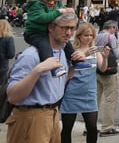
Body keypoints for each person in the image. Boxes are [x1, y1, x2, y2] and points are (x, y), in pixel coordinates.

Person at [5, 13, 75, 143]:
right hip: (31, 116)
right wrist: (37, 70)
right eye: (64, 28)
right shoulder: (31, 55)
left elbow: (58, 82)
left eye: (72, 28)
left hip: (53, 114)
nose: (68, 32)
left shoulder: (62, 52)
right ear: (51, 27)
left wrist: (75, 67)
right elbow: (12, 96)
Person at [23, 0, 88, 77]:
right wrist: (58, 12)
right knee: (45, 47)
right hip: (36, 33)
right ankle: (53, 68)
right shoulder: (37, 5)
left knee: (68, 45)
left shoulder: (57, 4)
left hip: (50, 32)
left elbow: (63, 16)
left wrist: (69, 11)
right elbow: (42, 18)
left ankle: (77, 62)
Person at [60, 22, 111, 143]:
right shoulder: (72, 50)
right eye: (86, 35)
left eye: (91, 35)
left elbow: (103, 69)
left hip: (89, 93)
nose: (89, 38)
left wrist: (105, 57)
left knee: (92, 128)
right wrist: (84, 54)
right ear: (79, 36)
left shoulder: (95, 51)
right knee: (67, 128)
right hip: (72, 93)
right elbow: (66, 71)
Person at [94, 20, 119, 137]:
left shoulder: (97, 36)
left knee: (95, 99)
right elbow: (117, 54)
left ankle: (91, 125)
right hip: (109, 71)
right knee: (110, 99)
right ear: (112, 28)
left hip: (98, 69)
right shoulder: (111, 37)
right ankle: (107, 127)